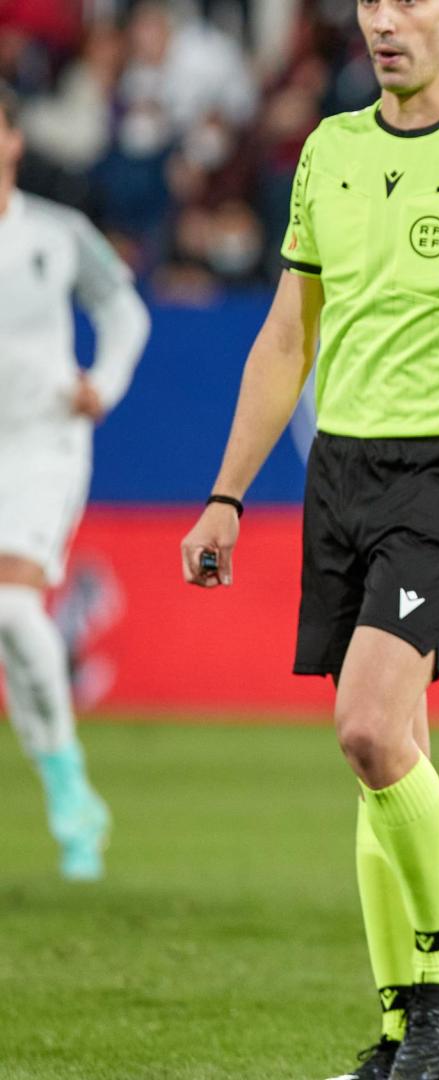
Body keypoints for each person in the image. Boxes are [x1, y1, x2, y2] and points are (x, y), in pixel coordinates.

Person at [174, 1, 439, 1077]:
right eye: (369, 2)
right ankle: (406, 1030)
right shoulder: (331, 149)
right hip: (341, 471)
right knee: (387, 756)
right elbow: (286, 333)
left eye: (410, 0)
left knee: (366, 727)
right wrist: (227, 492)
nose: (384, 22)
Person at [0, 81, 150, 882]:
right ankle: (71, 789)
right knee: (12, 630)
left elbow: (124, 310)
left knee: (11, 606)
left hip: (42, 443)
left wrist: (107, 381)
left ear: (14, 142)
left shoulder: (57, 235)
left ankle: (67, 790)